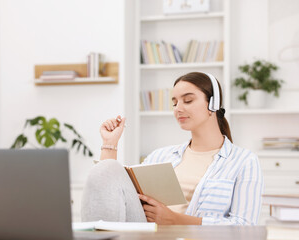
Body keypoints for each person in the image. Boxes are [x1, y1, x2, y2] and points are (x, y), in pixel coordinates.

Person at [81, 72, 264, 225]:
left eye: (188, 100)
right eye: (175, 103)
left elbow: (245, 227)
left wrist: (174, 219)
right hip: (148, 234)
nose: (178, 108)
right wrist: (110, 142)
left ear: (213, 104)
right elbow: (108, 192)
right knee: (104, 169)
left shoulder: (244, 161)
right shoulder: (160, 156)